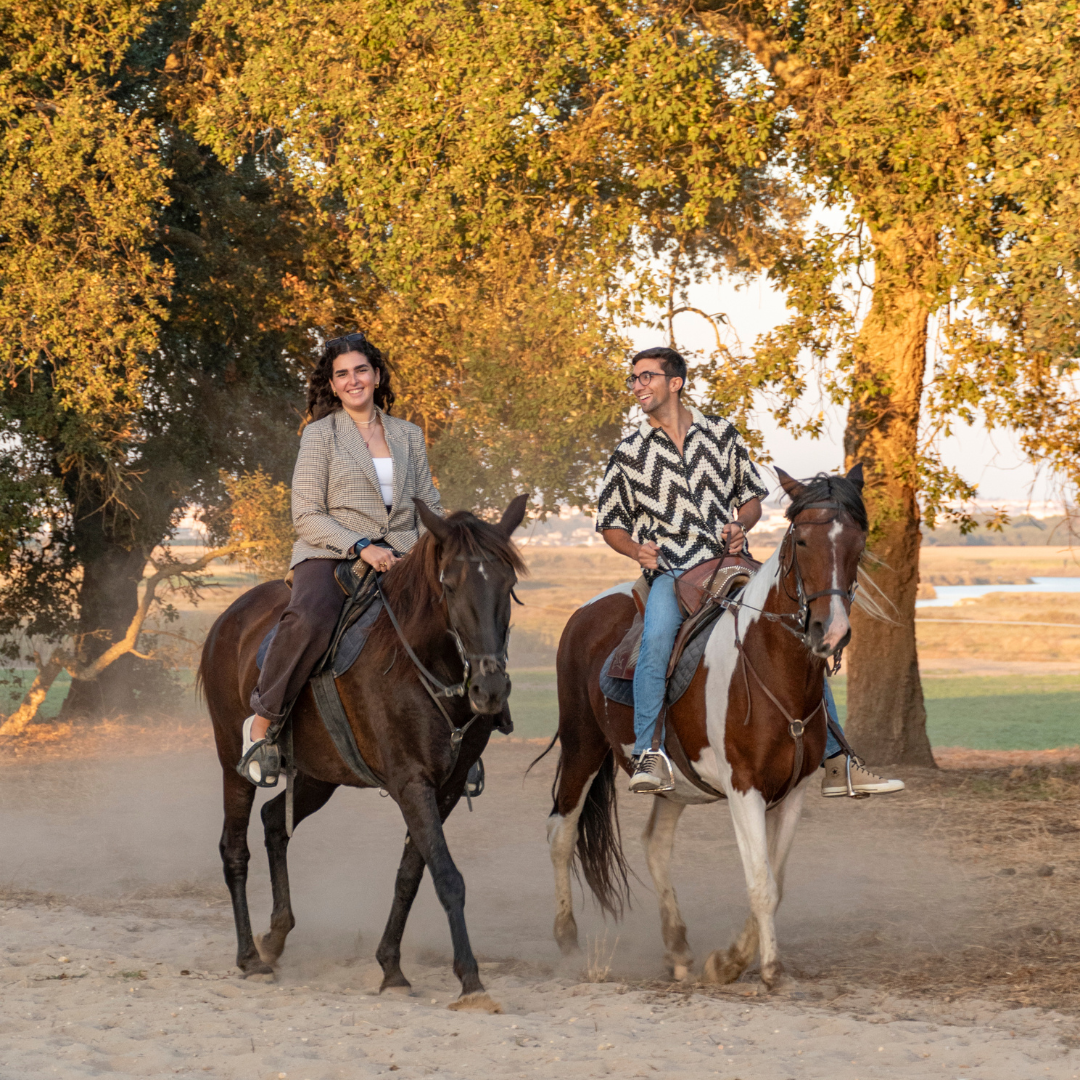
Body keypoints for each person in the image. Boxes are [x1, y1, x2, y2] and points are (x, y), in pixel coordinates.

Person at [595, 346, 903, 798]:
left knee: (797, 638)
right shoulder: (629, 452)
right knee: (657, 637)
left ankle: (839, 762)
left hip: (732, 566)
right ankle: (649, 753)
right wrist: (637, 551)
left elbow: (751, 498)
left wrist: (741, 523)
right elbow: (610, 523)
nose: (637, 386)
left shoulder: (722, 434)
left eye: (646, 377)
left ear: (674, 382)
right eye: (634, 379)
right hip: (674, 571)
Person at [237, 331, 442, 786]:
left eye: (361, 371)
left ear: (377, 375)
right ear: (332, 385)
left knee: (456, 611)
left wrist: (425, 549)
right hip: (331, 555)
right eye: (342, 374)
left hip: (403, 556)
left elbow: (430, 506)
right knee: (309, 620)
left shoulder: (408, 435)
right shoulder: (320, 435)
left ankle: (460, 732)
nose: (353, 381)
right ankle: (263, 724)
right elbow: (306, 514)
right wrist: (361, 547)